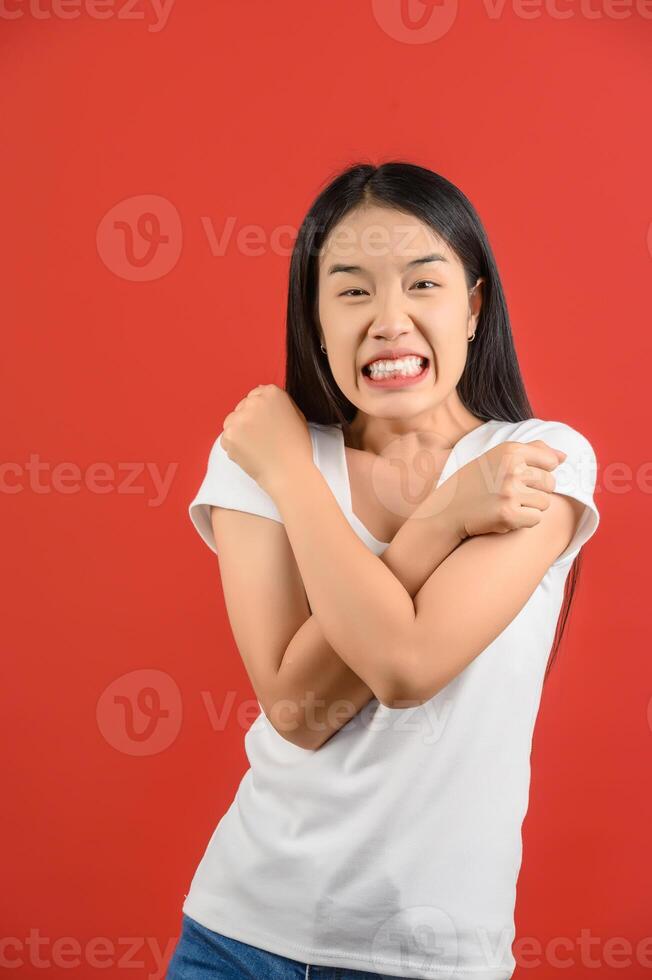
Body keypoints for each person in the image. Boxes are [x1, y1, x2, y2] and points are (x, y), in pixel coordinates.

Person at [167, 162, 600, 980]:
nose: (389, 321)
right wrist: (423, 515)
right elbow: (298, 710)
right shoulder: (265, 464)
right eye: (353, 291)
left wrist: (302, 480)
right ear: (316, 318)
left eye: (422, 284)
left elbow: (406, 666)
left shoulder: (538, 460)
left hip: (432, 960)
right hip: (239, 938)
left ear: (472, 307)